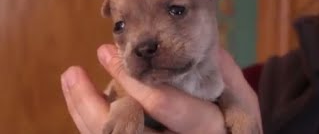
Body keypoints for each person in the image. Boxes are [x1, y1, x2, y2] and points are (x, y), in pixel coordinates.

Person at [61, 45, 261, 134]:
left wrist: (235, 108)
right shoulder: (262, 77)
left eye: (176, 11)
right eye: (121, 25)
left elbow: (219, 93)